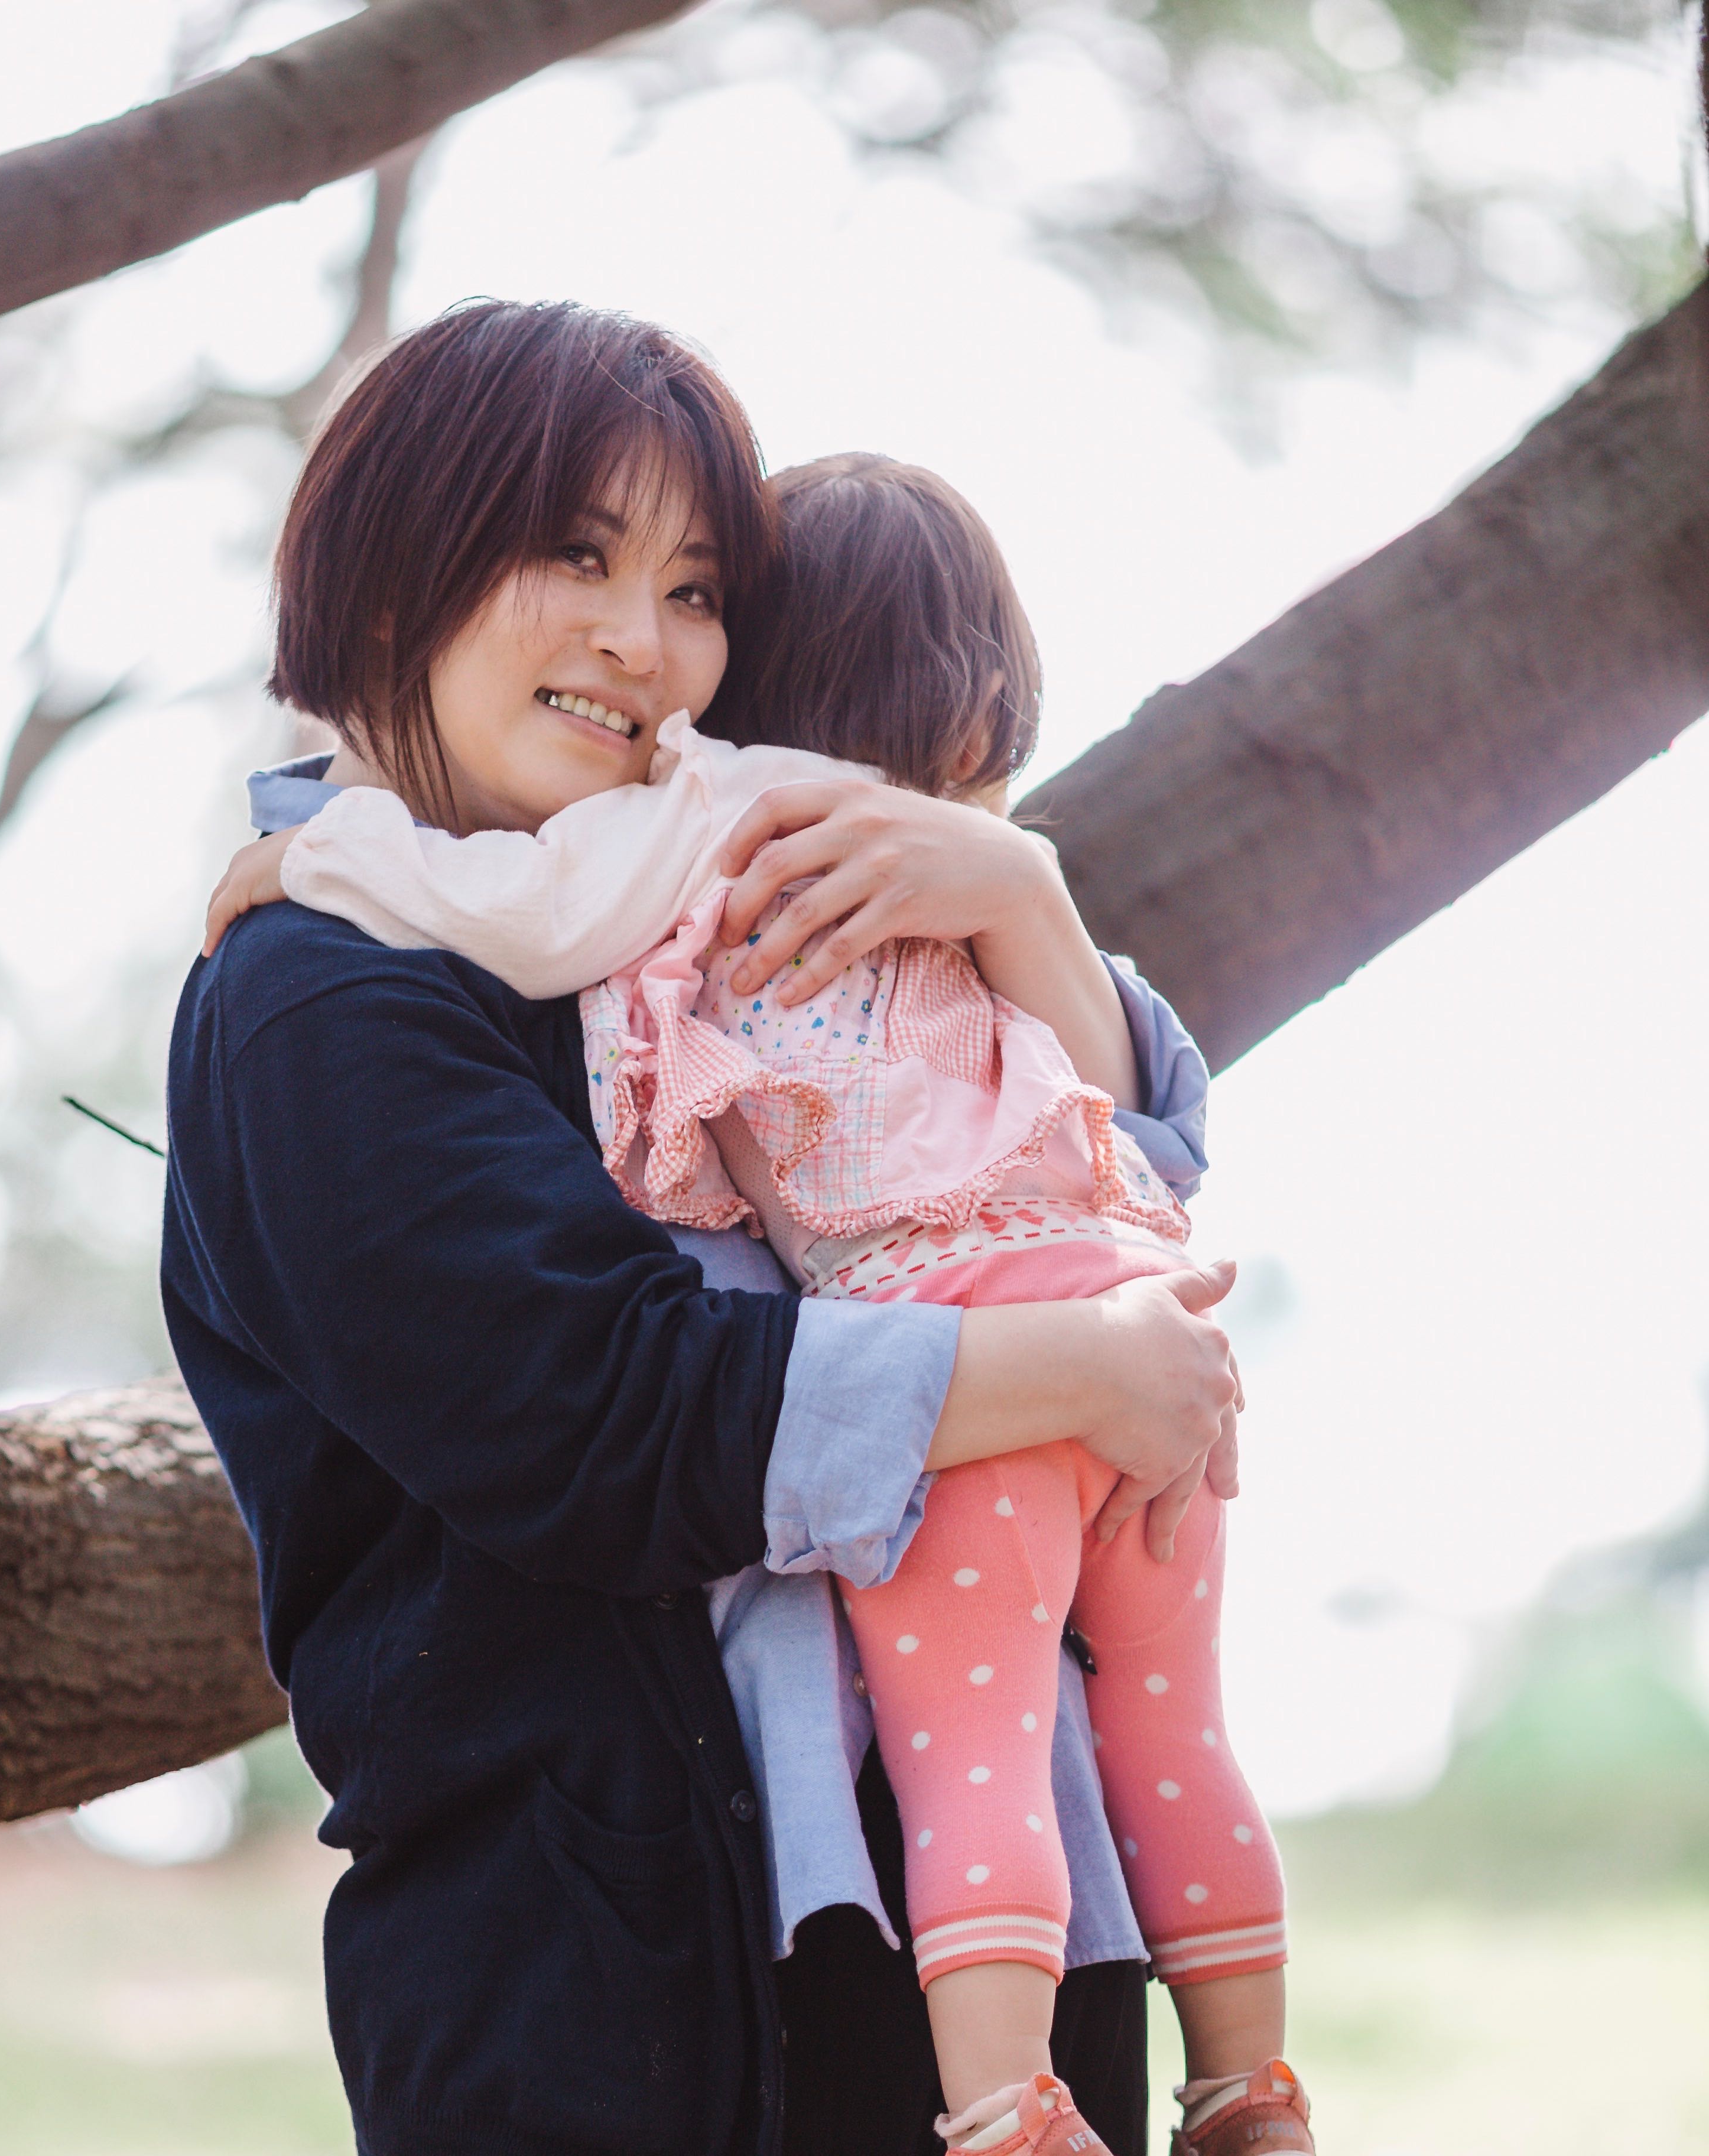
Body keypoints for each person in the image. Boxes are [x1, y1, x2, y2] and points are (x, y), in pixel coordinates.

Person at [165, 300, 1241, 2156]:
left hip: (988, 1954)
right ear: (391, 559)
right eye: (572, 555)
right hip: (607, 2010)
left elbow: (1064, 1179)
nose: (638, 642)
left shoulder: (695, 907)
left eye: (691, 587)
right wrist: (1085, 1368)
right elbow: (606, 1413)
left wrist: (1027, 907)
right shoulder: (320, 1001)